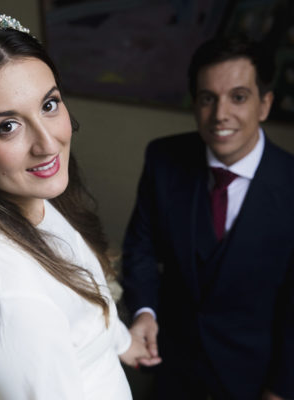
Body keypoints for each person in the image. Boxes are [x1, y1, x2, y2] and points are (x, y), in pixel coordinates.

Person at [0, 11, 158, 400]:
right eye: (7, 126)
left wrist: (121, 341)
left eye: (49, 105)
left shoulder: (34, 206)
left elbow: (75, 303)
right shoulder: (1, 288)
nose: (47, 143)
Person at [122, 35, 294, 400]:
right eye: (207, 98)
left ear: (264, 104)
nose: (220, 115)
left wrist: (281, 389)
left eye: (238, 97)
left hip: (254, 379)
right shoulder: (163, 159)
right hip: (172, 370)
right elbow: (141, 247)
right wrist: (145, 312)